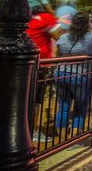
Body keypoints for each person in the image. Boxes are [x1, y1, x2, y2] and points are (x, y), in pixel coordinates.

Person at [54, 12, 92, 131]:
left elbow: (56, 55)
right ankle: (75, 140)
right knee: (80, 108)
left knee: (63, 107)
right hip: (80, 75)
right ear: (87, 24)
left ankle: (61, 140)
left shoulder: (63, 37)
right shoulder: (91, 37)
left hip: (61, 73)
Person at [27, 9, 62, 143]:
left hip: (25, 64)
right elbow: (58, 35)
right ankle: (33, 132)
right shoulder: (47, 17)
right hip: (40, 66)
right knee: (36, 101)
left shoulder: (28, 18)